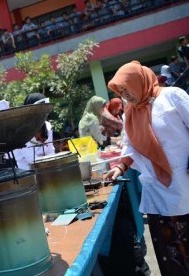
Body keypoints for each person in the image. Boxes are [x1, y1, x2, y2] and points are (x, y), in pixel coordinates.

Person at [105, 60, 189, 276]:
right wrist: (120, 167)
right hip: (156, 190)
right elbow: (130, 145)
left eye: (126, 88)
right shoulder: (130, 112)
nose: (125, 95)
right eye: (120, 91)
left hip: (184, 183)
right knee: (170, 253)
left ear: (138, 81)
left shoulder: (172, 96)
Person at [13, 93, 56, 170]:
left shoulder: (48, 126)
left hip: (48, 170)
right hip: (27, 174)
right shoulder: (20, 131)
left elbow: (50, 150)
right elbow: (31, 159)